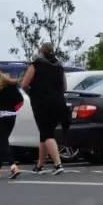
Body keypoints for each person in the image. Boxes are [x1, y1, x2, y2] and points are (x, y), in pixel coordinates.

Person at [20, 43, 68, 175]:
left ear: (41, 52)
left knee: (47, 134)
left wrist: (32, 93)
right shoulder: (59, 66)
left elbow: (24, 84)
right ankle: (40, 165)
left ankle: (58, 165)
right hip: (58, 103)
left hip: (41, 103)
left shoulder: (36, 64)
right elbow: (64, 87)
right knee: (45, 133)